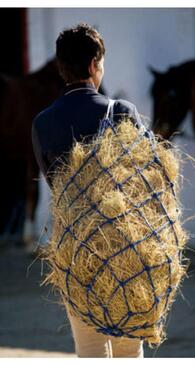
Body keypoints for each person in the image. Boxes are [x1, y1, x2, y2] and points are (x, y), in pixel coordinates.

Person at [32, 23, 144, 358]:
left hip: (76, 254)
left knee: (91, 351)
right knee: (128, 351)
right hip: (125, 252)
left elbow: (52, 181)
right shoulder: (122, 112)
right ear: (95, 66)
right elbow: (145, 182)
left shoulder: (41, 123)